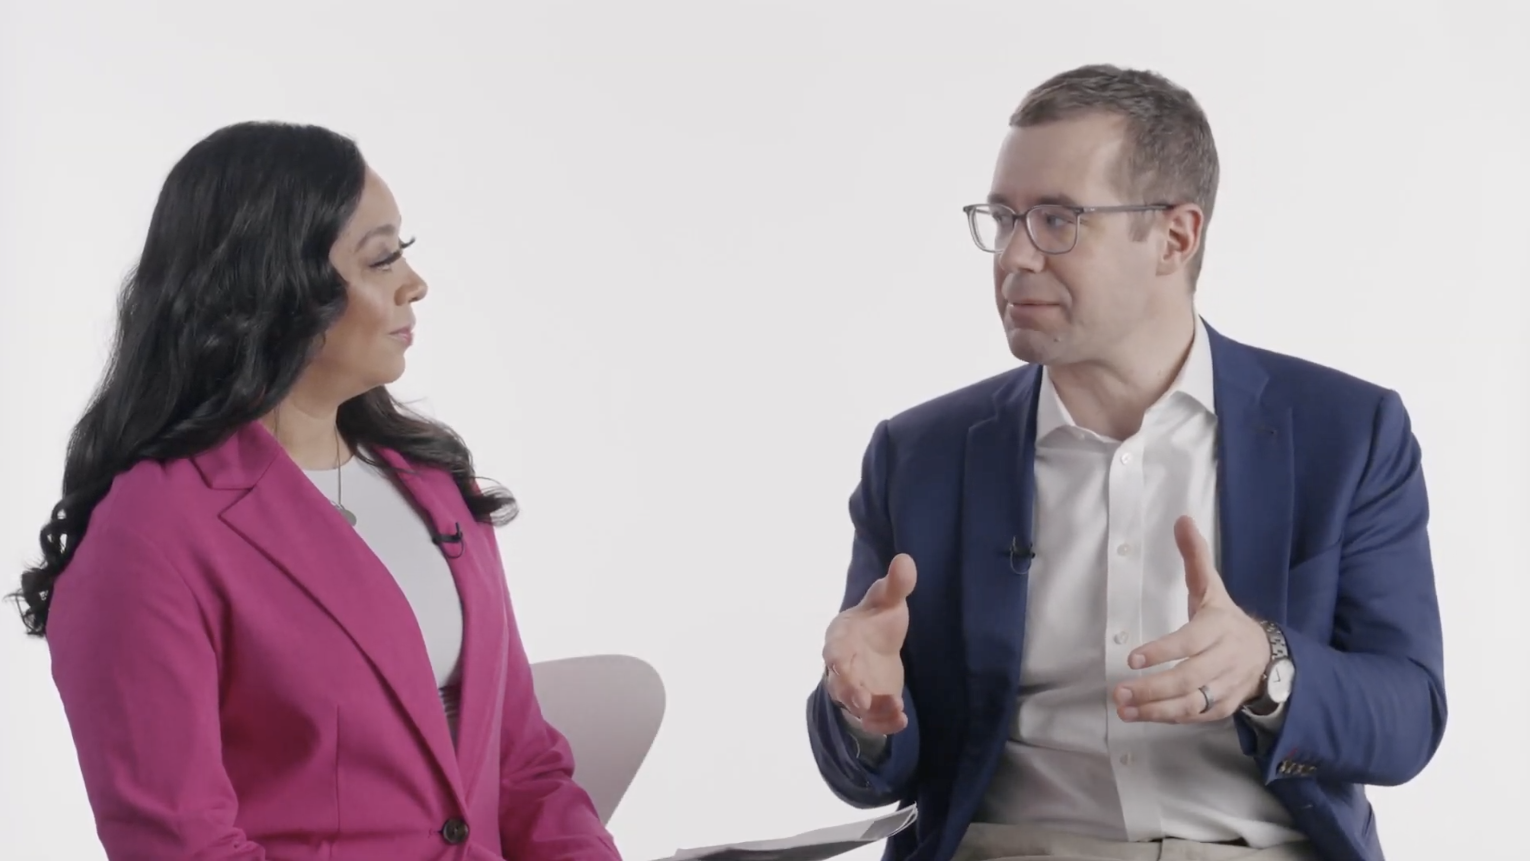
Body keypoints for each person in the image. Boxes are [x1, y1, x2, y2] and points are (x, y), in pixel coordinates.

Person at [807, 65, 1445, 861]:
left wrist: (1267, 666)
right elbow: (871, 769)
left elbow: (1409, 716)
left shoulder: (1346, 434)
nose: (1015, 255)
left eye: (1057, 219)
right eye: (1003, 218)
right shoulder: (919, 455)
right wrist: (863, 712)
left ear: (1176, 236)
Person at [9, 122, 622, 861]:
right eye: (382, 257)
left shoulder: (434, 483)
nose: (415, 283)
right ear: (276, 284)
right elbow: (184, 845)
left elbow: (525, 769)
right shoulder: (150, 534)